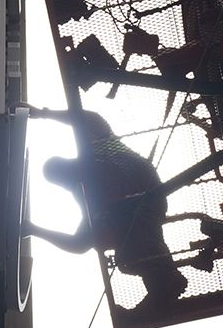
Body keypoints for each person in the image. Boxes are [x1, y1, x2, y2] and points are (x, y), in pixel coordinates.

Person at [23, 107, 187, 304]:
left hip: (142, 186)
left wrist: (44, 113)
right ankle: (162, 284)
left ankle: (164, 281)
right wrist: (33, 229)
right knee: (129, 258)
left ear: (68, 163)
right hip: (140, 217)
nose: (66, 177)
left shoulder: (94, 152)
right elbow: (79, 243)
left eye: (62, 171)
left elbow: (91, 118)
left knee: (134, 247)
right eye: (60, 177)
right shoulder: (87, 200)